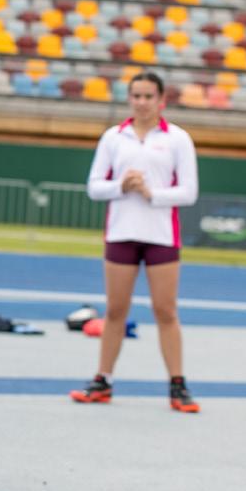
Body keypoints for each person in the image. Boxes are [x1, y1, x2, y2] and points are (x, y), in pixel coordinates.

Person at [71, 71, 200, 412]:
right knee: (115, 310)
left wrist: (151, 193)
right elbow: (94, 186)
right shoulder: (114, 137)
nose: (142, 102)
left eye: (148, 96)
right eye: (136, 96)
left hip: (161, 236)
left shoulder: (178, 139)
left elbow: (189, 192)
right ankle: (103, 379)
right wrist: (122, 186)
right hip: (121, 233)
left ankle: (177, 385)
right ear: (129, 99)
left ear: (161, 100)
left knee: (165, 311)